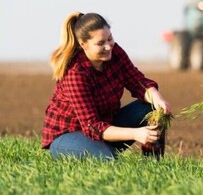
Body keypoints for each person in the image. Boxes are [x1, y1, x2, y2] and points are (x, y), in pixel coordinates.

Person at [42, 12, 171, 159]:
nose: (108, 46)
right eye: (100, 43)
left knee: (153, 108)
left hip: (106, 126)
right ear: (83, 44)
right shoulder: (75, 73)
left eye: (110, 39)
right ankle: (102, 152)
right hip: (68, 135)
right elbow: (93, 126)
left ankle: (153, 164)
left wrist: (156, 98)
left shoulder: (115, 52)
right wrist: (136, 133)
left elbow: (137, 82)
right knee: (108, 158)